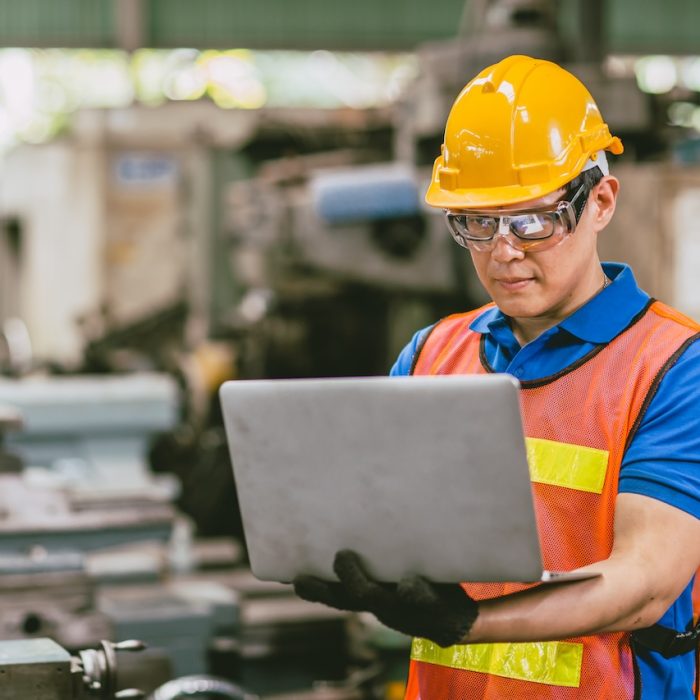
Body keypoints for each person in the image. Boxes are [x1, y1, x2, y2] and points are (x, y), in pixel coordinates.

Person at [293, 55, 700, 698]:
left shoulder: (674, 369)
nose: (504, 251)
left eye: (533, 220)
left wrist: (469, 622)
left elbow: (644, 585)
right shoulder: (432, 353)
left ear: (600, 201)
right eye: (478, 223)